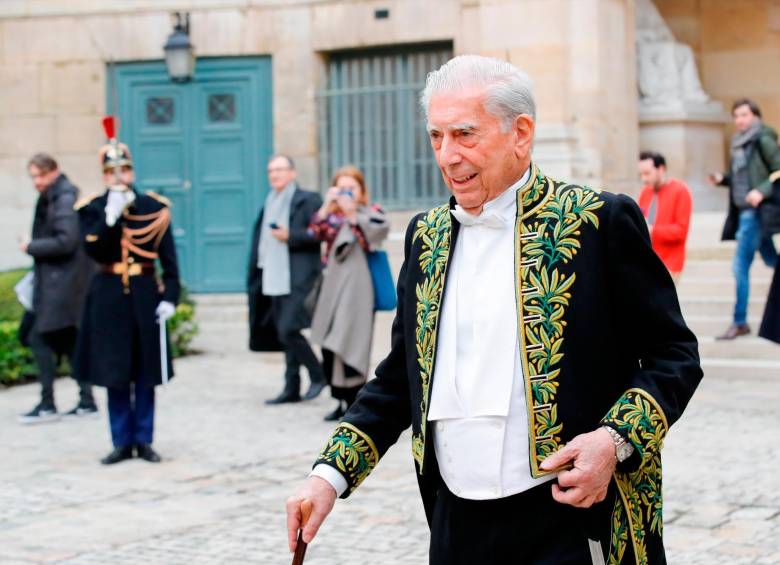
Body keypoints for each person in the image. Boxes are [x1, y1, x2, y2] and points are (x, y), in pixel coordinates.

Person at [286, 55, 702, 564]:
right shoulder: (426, 235)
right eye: (436, 136)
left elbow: (674, 354)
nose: (447, 156)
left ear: (520, 133)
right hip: (456, 525)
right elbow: (401, 378)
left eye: (464, 134)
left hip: (572, 519)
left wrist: (613, 442)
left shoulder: (599, 221)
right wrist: (328, 476)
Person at [72, 140, 180, 465]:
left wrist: (170, 297)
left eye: (124, 170)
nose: (119, 177)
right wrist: (111, 217)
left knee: (145, 372)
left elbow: (169, 260)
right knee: (114, 371)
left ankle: (144, 439)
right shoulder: (91, 209)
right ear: (104, 176)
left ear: (132, 172)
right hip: (107, 296)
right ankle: (121, 440)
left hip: (145, 293)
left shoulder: (153, 207)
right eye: (111, 172)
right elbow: (95, 252)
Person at [17, 153, 96, 424]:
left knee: (40, 338)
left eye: (39, 175)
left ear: (53, 172)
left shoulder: (63, 199)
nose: (36, 182)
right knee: (67, 341)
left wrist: (31, 247)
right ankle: (85, 399)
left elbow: (66, 241)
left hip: (60, 286)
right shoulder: (55, 196)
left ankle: (50, 401)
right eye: (33, 176)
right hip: (57, 284)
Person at [308, 165, 390, 421]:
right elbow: (313, 233)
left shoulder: (371, 211)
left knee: (351, 340)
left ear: (361, 190)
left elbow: (380, 232)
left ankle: (354, 400)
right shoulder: (331, 214)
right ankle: (339, 400)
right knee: (330, 343)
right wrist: (327, 204)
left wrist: (354, 214)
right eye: (341, 187)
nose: (346, 193)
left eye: (351, 188)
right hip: (331, 285)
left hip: (357, 287)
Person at [247, 155, 325, 404]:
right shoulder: (269, 201)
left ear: (292, 173)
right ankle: (291, 386)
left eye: (280, 170)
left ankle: (318, 374)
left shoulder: (309, 199)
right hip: (273, 275)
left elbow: (318, 233)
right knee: (283, 333)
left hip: (299, 275)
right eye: (271, 171)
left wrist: (290, 235)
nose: (275, 175)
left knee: (289, 328)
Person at [708, 98, 780, 340]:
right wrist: (723, 178)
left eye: (744, 115)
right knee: (772, 260)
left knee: (740, 266)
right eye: (736, 115)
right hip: (743, 212)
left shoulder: (763, 139)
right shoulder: (738, 143)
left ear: (755, 116)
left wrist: (761, 190)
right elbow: (742, 176)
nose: (740, 120)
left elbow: (777, 170)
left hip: (756, 213)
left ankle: (739, 322)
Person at [637, 151, 693, 283]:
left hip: (670, 263)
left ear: (661, 169)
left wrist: (652, 231)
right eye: (641, 174)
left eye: (647, 173)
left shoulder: (680, 191)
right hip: (648, 261)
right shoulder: (645, 192)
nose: (643, 179)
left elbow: (681, 231)